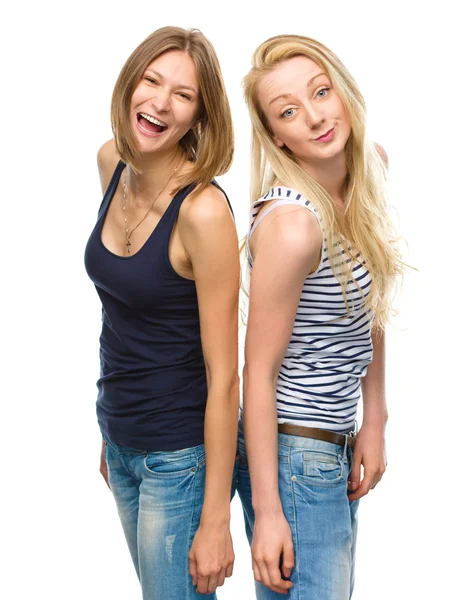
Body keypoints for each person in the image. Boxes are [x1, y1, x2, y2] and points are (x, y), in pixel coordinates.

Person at [236, 34, 404, 599]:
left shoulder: (370, 169)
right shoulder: (293, 225)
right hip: (292, 455)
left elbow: (369, 305)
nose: (314, 117)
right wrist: (268, 512)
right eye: (289, 111)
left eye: (321, 92)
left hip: (334, 439)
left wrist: (375, 417)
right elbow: (256, 372)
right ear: (276, 135)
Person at [84, 26, 240, 600]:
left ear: (200, 116)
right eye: (151, 80)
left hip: (177, 456)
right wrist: (110, 435)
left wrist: (216, 518)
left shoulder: (202, 212)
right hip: (120, 435)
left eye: (183, 94)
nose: (159, 102)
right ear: (130, 84)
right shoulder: (111, 165)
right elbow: (122, 313)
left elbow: (225, 376)